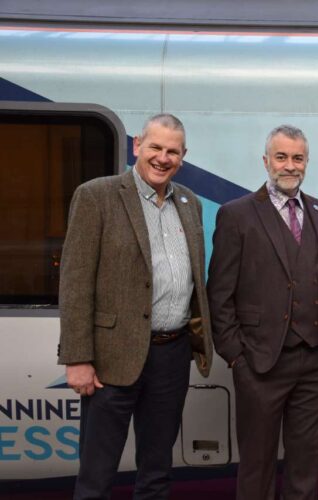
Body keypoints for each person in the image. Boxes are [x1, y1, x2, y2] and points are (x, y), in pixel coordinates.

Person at [57, 113, 213, 500]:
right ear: (137, 146)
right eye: (156, 147)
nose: (163, 158)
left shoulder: (189, 203)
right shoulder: (97, 195)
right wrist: (78, 357)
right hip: (112, 357)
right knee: (97, 474)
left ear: (183, 156)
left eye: (172, 151)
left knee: (157, 472)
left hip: (171, 356)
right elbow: (75, 281)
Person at [208, 124, 318, 500]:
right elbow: (219, 293)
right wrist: (236, 355)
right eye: (282, 157)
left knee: (305, 470)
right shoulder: (236, 214)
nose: (290, 166)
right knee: (256, 470)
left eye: (298, 158)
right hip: (260, 363)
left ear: (307, 162)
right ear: (266, 160)